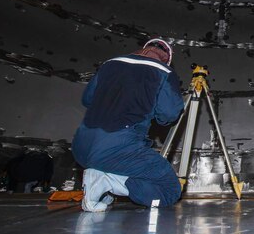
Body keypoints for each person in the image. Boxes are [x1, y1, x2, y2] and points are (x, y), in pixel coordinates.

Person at [72, 38, 184, 212]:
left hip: (81, 147)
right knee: (169, 191)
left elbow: (88, 99)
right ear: (167, 57)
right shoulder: (164, 71)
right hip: (119, 148)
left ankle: (104, 180)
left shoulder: (110, 64)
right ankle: (105, 181)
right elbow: (168, 114)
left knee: (134, 172)